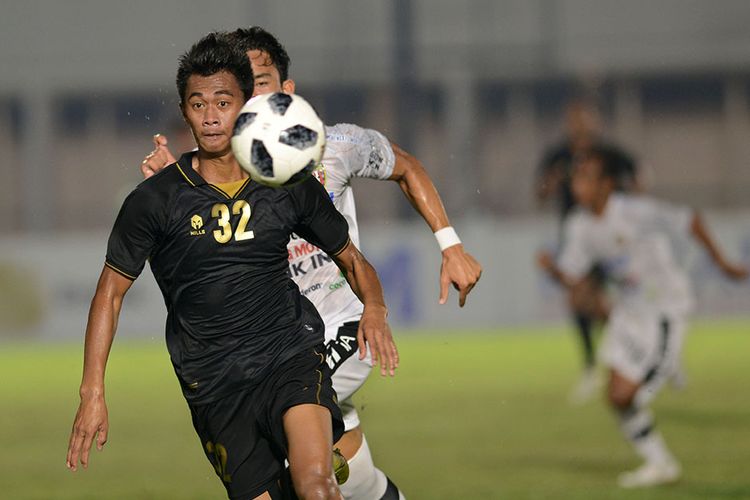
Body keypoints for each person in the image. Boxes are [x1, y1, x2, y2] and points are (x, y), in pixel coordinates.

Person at [140, 26, 482, 500]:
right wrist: (171, 178)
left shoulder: (331, 146)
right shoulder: (216, 166)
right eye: (242, 83)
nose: (251, 93)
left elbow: (405, 166)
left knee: (294, 468)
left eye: (260, 80)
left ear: (287, 91)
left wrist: (451, 245)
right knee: (354, 474)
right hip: (273, 337)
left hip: (342, 328)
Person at [66, 33, 399, 500]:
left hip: (289, 356)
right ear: (184, 111)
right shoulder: (154, 202)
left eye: (223, 101)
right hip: (214, 385)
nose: (210, 116)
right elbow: (109, 293)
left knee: (317, 486)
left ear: (247, 106)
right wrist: (91, 390)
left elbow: (352, 258)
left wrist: (376, 308)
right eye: (198, 104)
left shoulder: (284, 180)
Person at [537, 147, 747, 488]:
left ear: (606, 185)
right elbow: (573, 277)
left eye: (586, 178)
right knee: (614, 397)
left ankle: (667, 362)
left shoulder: (634, 211)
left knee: (625, 395)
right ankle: (661, 463)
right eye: (575, 178)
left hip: (665, 307)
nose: (577, 185)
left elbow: (689, 219)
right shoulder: (579, 225)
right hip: (630, 313)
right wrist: (552, 270)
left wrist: (721, 262)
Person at [535, 98, 639, 403]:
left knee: (622, 299)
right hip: (576, 235)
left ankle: (635, 355)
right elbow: (540, 193)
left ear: (594, 122)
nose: (579, 124)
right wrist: (550, 183)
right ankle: (593, 365)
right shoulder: (558, 156)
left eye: (585, 119)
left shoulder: (610, 154)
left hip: (611, 235)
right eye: (575, 119)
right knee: (579, 298)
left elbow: (638, 177)